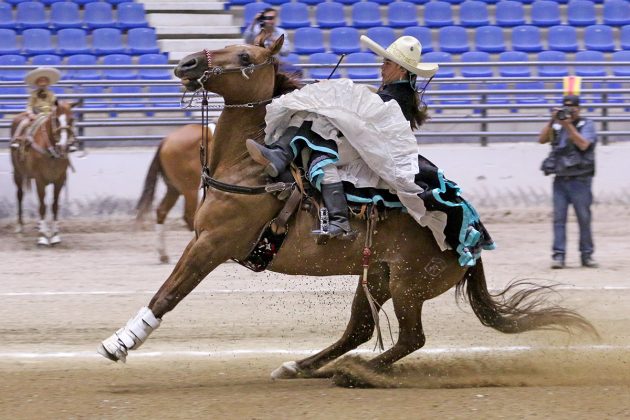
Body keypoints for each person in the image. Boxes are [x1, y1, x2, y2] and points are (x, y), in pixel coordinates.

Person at [247, 35, 494, 266]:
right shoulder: (392, 93)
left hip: (373, 151)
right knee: (314, 122)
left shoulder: (399, 97)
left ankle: (338, 218)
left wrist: (335, 101)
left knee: (321, 152)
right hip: (365, 145)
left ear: (401, 69)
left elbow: (369, 120)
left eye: (387, 62)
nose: (382, 66)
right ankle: (281, 157)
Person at [539, 95, 598, 269]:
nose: (570, 111)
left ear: (579, 109)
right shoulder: (557, 125)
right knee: (558, 219)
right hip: (560, 179)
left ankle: (587, 255)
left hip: (580, 180)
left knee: (584, 219)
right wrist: (552, 121)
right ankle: (559, 256)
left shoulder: (587, 124)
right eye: (566, 108)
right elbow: (541, 139)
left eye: (573, 108)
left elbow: (584, 145)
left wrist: (568, 125)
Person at [11, 67, 61, 149]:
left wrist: (53, 110)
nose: (43, 83)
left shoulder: (51, 94)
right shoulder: (33, 94)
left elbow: (55, 104)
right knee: (24, 123)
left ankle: (62, 141)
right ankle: (16, 138)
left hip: (49, 114)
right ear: (37, 83)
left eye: (44, 81)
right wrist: (30, 113)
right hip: (36, 114)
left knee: (60, 124)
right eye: (41, 81)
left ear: (48, 83)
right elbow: (29, 105)